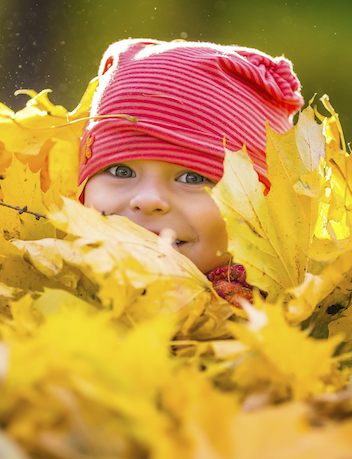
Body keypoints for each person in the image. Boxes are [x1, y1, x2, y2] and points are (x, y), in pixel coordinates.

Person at [78, 38, 304, 305]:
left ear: (265, 210)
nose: (147, 200)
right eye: (121, 171)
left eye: (192, 178)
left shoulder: (269, 317)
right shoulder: (36, 279)